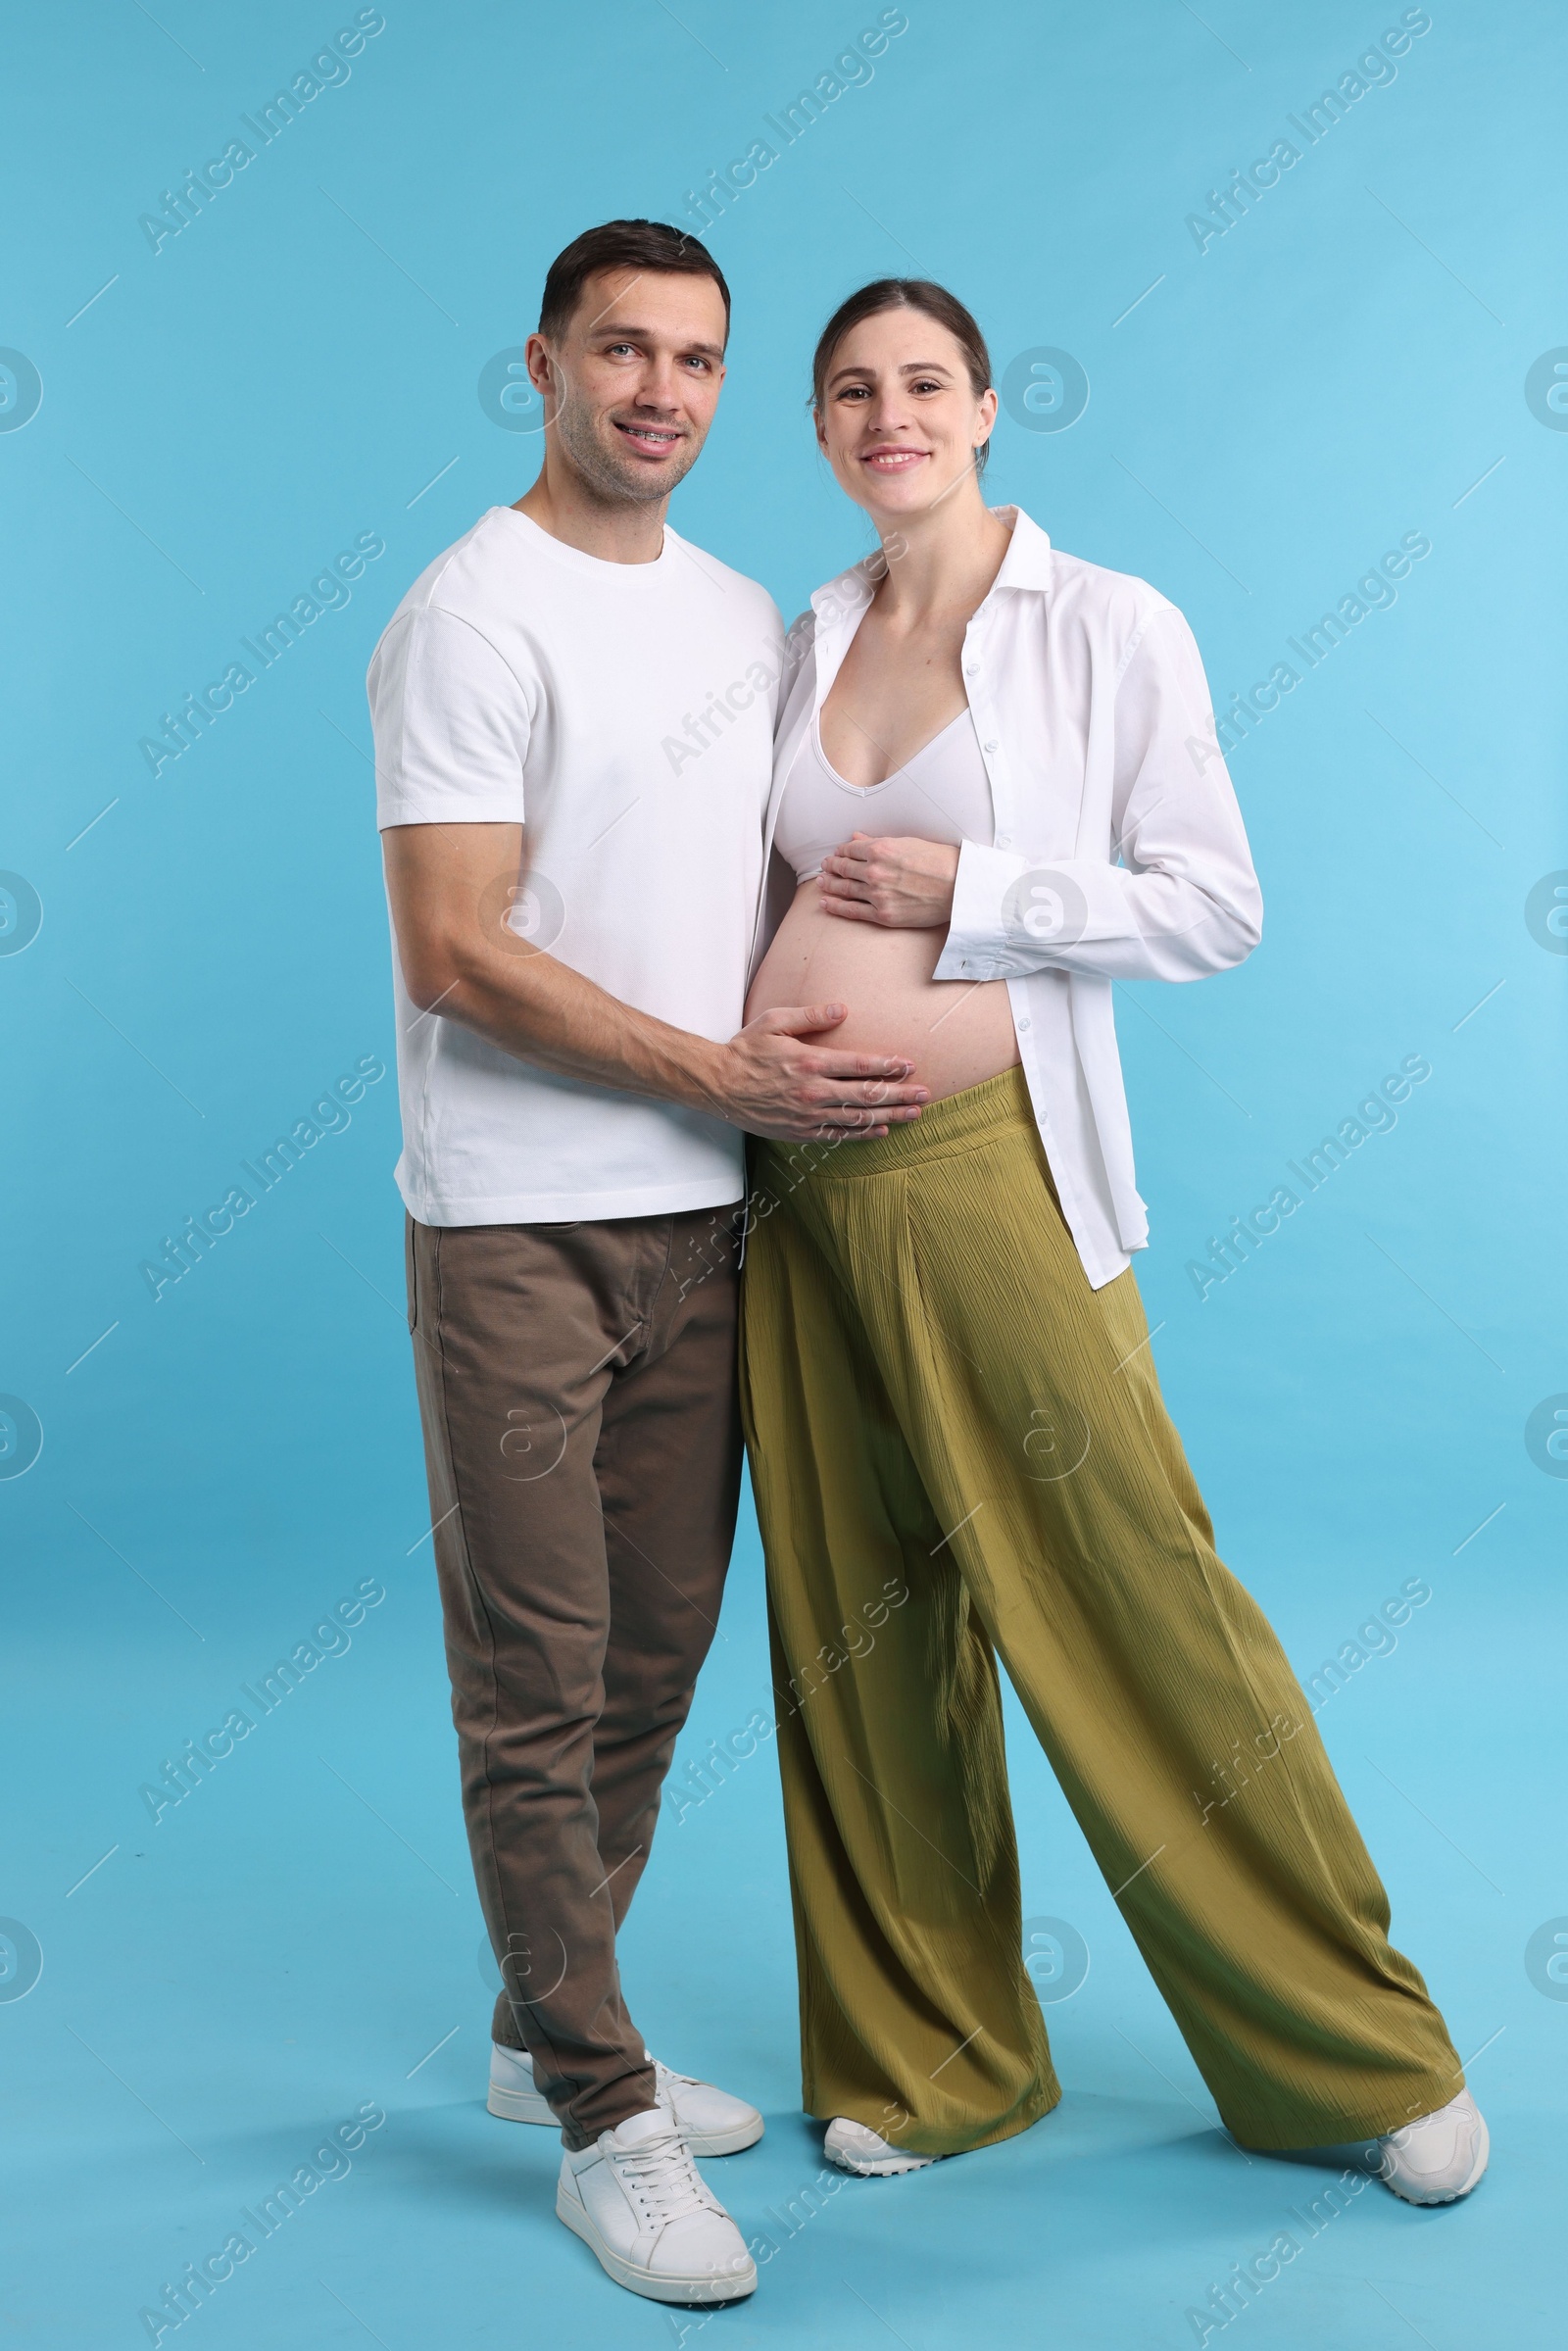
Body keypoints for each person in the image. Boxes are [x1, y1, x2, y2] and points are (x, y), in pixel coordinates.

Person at [738, 277, 1488, 2208]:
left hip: (983, 1176)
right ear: (816, 429)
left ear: (985, 407)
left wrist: (977, 886)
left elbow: (1210, 904)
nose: (885, 414)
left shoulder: (1102, 622)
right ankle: (934, 2057)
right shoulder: (796, 636)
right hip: (793, 1202)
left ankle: (1354, 2057)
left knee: (1128, 1598)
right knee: (856, 1624)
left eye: (920, 383)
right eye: (848, 391)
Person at [368, 220, 929, 2309]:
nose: (659, 392)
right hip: (514, 1221)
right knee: (533, 1682)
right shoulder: (468, 615)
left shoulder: (734, 618)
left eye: (695, 358)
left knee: (652, 1660)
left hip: (709, 1218)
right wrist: (719, 1070)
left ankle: (538, 2027)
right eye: (621, 350)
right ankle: (602, 2123)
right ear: (543, 363)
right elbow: (457, 949)